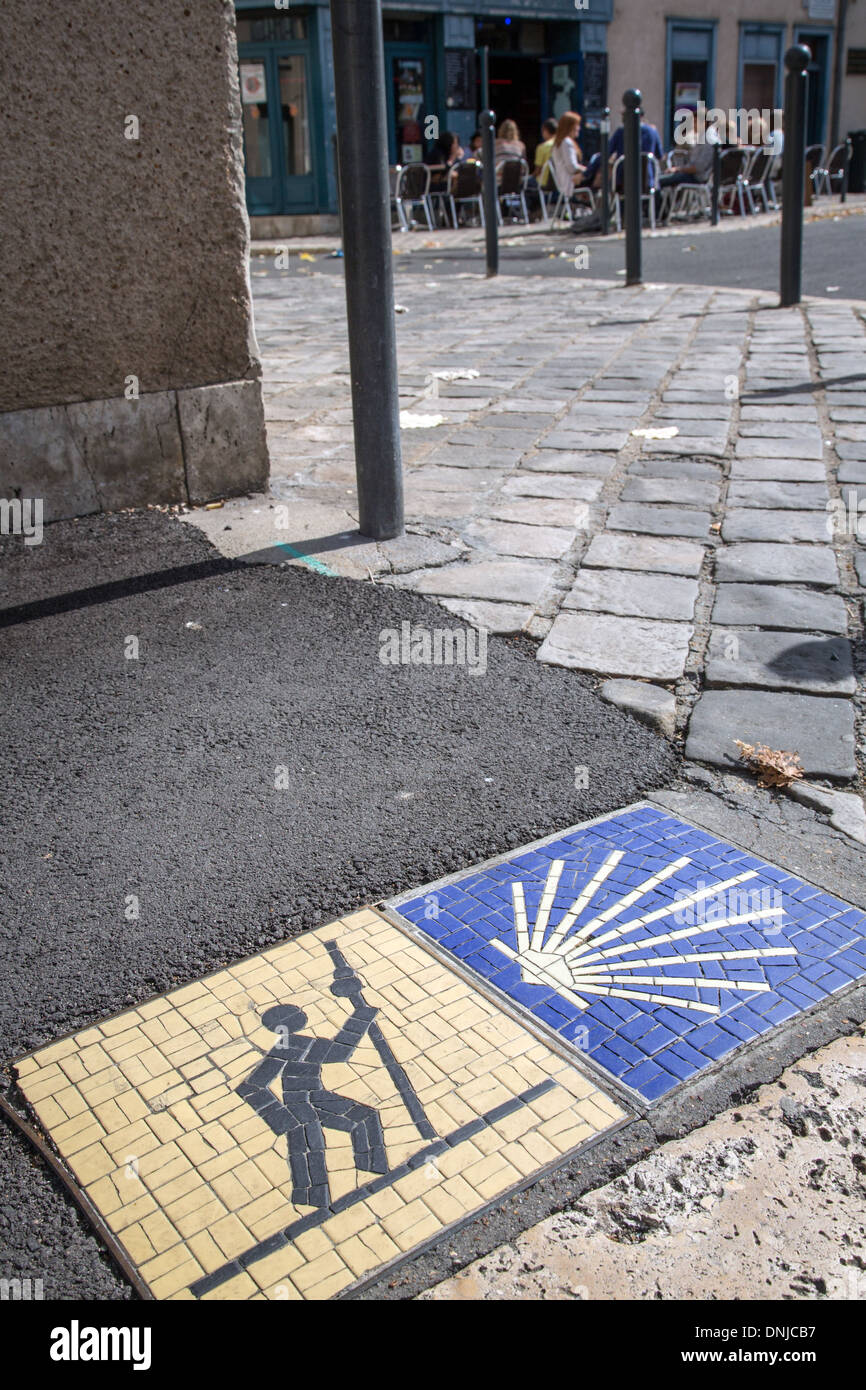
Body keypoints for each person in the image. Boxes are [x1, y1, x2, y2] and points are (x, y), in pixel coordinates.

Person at [607, 114, 664, 191]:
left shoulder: (620, 132)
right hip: (647, 181)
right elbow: (660, 155)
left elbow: (607, 152)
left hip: (623, 181)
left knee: (608, 183)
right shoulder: (652, 132)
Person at [549, 111, 587, 200]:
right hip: (570, 183)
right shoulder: (566, 142)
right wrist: (587, 169)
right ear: (570, 127)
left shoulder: (559, 142)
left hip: (564, 183)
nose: (579, 128)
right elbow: (572, 167)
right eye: (577, 125)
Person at [533, 118, 558, 191]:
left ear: (545, 130)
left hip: (542, 183)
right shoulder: (561, 145)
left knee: (523, 184)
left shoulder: (542, 147)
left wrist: (529, 177)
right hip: (559, 182)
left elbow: (538, 171)